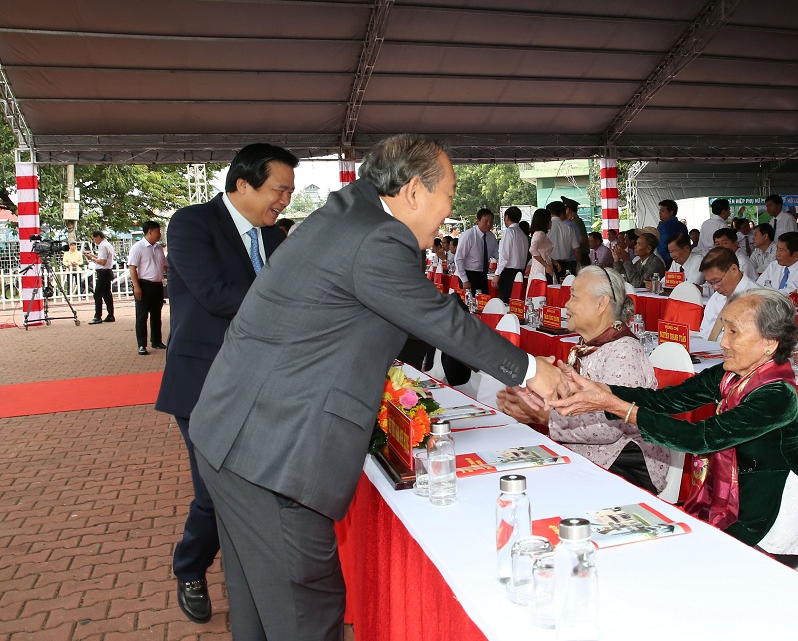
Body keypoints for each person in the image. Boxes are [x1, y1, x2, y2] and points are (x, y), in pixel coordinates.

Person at [188, 134, 566, 641]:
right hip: (274, 453)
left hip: (237, 436)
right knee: (304, 613)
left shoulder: (350, 216)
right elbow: (440, 319)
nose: (449, 210)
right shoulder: (377, 237)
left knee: (260, 608)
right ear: (413, 192)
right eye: (448, 195)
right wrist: (531, 370)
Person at [552, 289, 798, 566]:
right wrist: (600, 390)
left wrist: (620, 408)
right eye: (724, 329)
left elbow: (700, 438)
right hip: (733, 503)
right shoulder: (730, 376)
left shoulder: (777, 395)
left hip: (771, 519)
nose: (723, 341)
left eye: (733, 332)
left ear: (770, 343)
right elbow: (665, 400)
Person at [154, 143, 296, 624]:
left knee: (263, 487)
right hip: (204, 386)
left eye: (289, 192)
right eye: (279, 190)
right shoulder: (192, 223)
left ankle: (262, 578)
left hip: (265, 386)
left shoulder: (275, 237)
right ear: (243, 184)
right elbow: (217, 295)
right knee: (215, 493)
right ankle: (190, 567)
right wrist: (294, 297)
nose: (285, 201)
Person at [496, 266, 672, 494]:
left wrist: (545, 418)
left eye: (574, 297)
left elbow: (609, 426)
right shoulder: (587, 347)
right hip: (589, 456)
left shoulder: (624, 351)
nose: (567, 305)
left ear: (601, 304)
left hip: (624, 463)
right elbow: (574, 404)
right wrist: (534, 400)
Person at [127, 221, 167, 356]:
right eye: (157, 231)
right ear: (150, 232)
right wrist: (136, 287)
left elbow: (165, 265)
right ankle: (142, 344)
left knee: (156, 315)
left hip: (157, 285)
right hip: (144, 285)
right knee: (142, 316)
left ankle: (156, 341)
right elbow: (132, 268)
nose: (159, 234)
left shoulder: (158, 248)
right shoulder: (138, 248)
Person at [698, 247, 757, 341]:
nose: (715, 287)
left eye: (717, 281)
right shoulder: (716, 298)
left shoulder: (758, 299)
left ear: (734, 269)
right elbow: (704, 332)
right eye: (710, 283)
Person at [455, 208, 498, 295]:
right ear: (478, 221)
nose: (489, 224)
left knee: (483, 300)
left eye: (491, 222)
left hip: (482, 275)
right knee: (470, 301)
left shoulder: (491, 237)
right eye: (486, 221)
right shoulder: (468, 236)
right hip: (468, 274)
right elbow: (458, 259)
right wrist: (464, 280)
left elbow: (497, 254)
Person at [493, 206, 529, 303]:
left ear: (506, 217)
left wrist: (497, 274)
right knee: (516, 302)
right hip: (520, 272)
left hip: (509, 273)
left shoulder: (509, 231)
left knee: (505, 302)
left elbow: (504, 255)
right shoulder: (523, 234)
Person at [84, 230, 116, 324]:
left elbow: (102, 262)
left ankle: (98, 316)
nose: (94, 241)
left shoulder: (103, 246)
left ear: (98, 237)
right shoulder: (107, 244)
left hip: (103, 272)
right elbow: (102, 259)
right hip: (107, 271)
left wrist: (92, 258)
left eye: (94, 239)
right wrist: (93, 256)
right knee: (106, 294)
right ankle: (110, 315)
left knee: (97, 294)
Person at [527, 208, 556, 285]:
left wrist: (553, 261)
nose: (551, 223)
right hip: (542, 269)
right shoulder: (539, 234)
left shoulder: (541, 234)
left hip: (544, 267)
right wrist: (545, 265)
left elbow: (543, 252)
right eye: (549, 220)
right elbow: (532, 249)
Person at [547, 200, 576, 277]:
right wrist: (578, 264)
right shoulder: (569, 228)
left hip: (549, 264)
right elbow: (576, 249)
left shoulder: (546, 227)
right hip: (565, 265)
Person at [656, 198, 687, 266]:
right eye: (660, 210)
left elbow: (662, 246)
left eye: (663, 210)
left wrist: (659, 260)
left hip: (666, 261)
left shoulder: (663, 225)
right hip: (683, 259)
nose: (660, 213)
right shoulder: (683, 226)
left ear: (671, 213)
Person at [562, 196, 590, 268]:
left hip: (580, 256)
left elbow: (582, 239)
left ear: (568, 209)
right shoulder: (572, 221)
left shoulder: (575, 221)